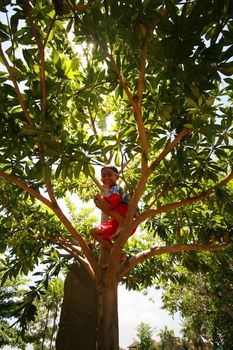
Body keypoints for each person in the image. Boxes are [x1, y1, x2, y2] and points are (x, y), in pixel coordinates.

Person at [90, 165, 136, 250]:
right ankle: (116, 252)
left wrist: (98, 198)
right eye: (103, 176)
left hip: (126, 218)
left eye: (109, 175)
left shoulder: (116, 188)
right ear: (101, 180)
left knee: (97, 199)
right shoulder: (112, 190)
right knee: (93, 231)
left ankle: (121, 222)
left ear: (117, 176)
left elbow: (109, 206)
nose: (106, 177)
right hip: (117, 224)